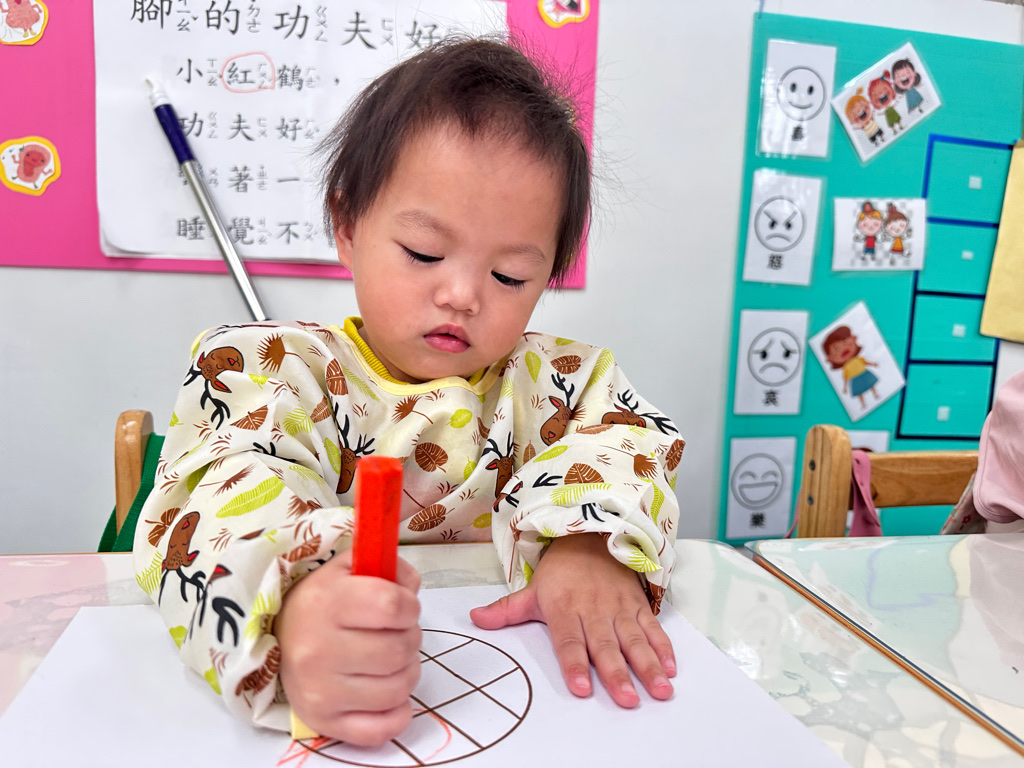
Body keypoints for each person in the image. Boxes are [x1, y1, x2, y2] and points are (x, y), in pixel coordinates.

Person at [133, 37, 683, 748]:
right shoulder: (270, 369)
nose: (461, 294)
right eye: (424, 253)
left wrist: (588, 545)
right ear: (347, 226)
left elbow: (626, 442)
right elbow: (219, 490)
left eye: (511, 277)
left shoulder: (561, 383)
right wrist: (292, 602)